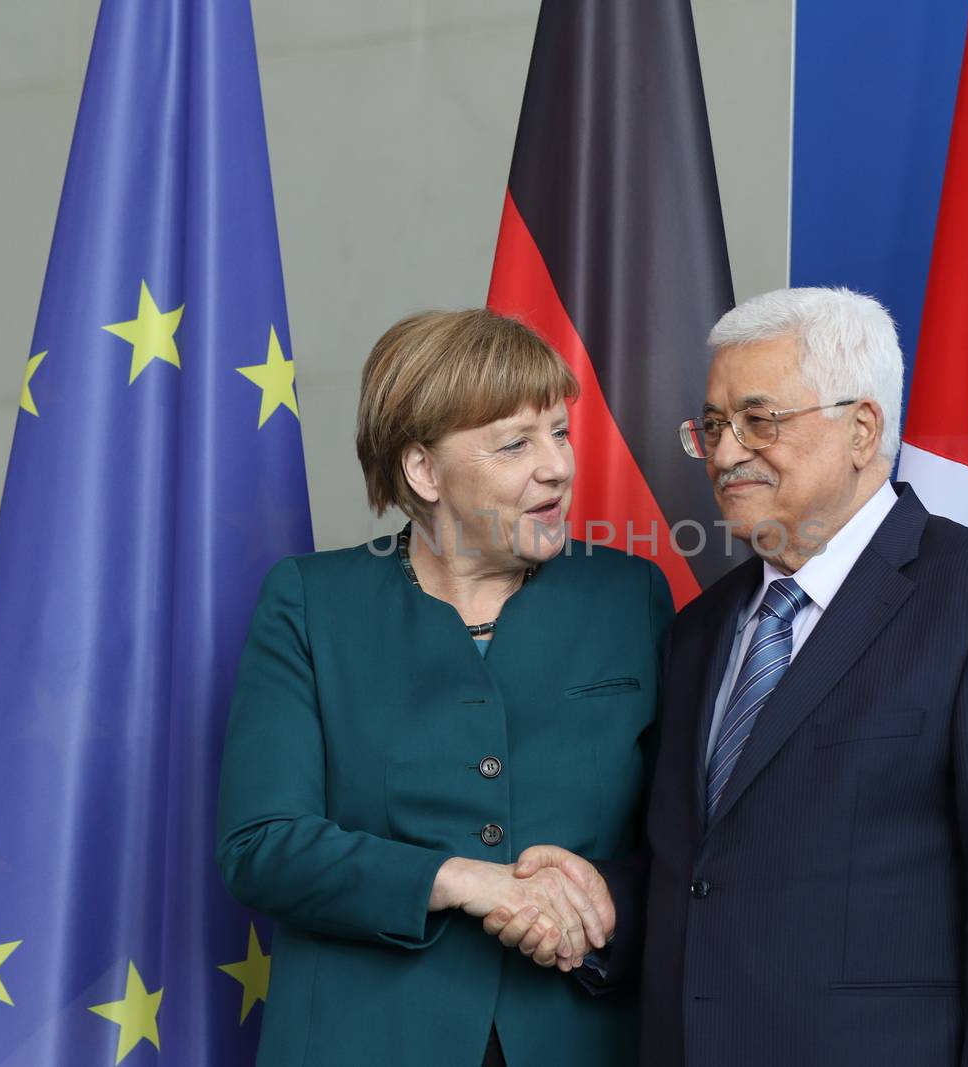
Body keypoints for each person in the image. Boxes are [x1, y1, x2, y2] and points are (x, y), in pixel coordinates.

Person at [505, 287, 968, 1065]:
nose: (723, 453)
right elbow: (710, 872)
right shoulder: (701, 627)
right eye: (713, 426)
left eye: (761, 420)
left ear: (862, 429)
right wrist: (599, 901)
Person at [217, 309, 668, 1067]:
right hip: (362, 1040)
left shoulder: (631, 597)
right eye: (515, 443)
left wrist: (600, 895)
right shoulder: (310, 601)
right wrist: (458, 880)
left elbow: (693, 843)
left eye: (559, 432)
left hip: (582, 1038)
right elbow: (261, 845)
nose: (557, 465)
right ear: (423, 471)